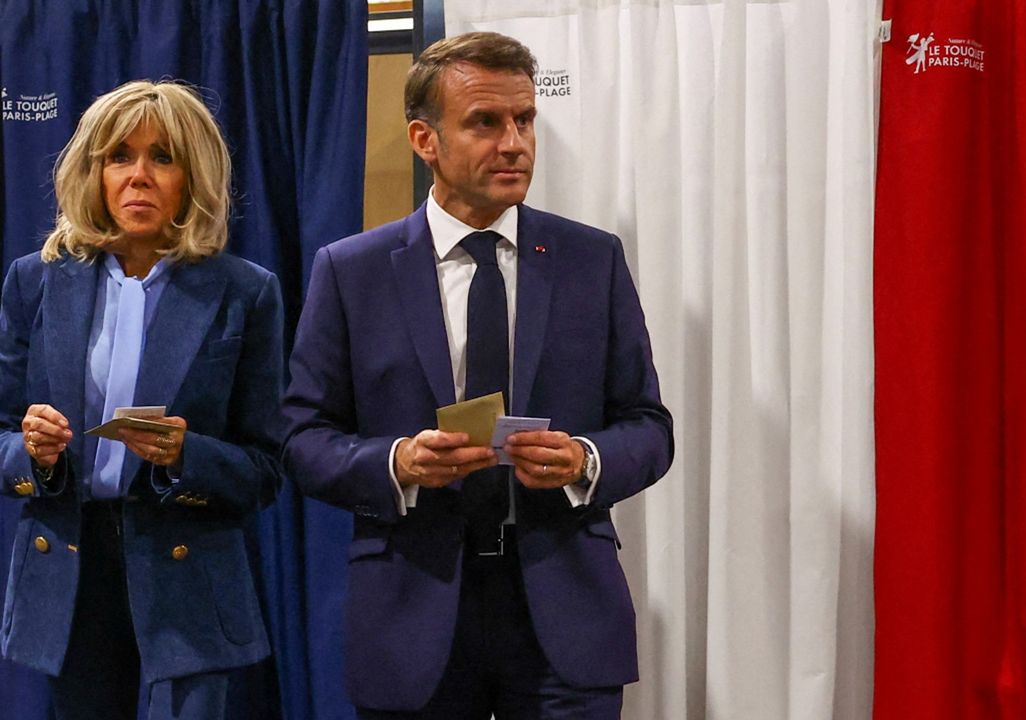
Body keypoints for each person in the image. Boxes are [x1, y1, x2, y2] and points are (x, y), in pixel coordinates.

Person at [282, 31, 674, 719]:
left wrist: (584, 458)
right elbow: (302, 439)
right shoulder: (351, 272)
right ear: (423, 139)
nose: (514, 142)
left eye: (524, 120)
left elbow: (649, 426)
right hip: (413, 611)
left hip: (563, 613)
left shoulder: (592, 260)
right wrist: (399, 462)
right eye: (485, 122)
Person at [0, 80, 286, 720]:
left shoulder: (245, 292)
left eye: (163, 158)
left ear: (193, 177)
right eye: (120, 157)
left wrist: (187, 455)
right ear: (94, 172)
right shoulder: (35, 280)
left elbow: (266, 468)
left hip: (186, 576)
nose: (139, 176)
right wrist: (33, 453)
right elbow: (0, 438)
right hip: (70, 576)